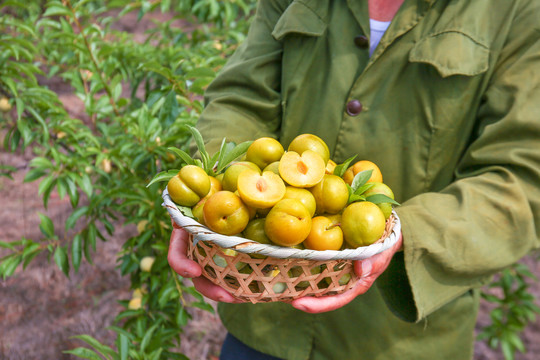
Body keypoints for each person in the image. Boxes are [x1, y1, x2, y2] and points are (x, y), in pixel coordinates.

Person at [168, 0, 540, 359]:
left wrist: (402, 233)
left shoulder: (516, 10)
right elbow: (244, 97)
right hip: (265, 321)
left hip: (398, 342)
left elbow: (521, 178)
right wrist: (208, 192)